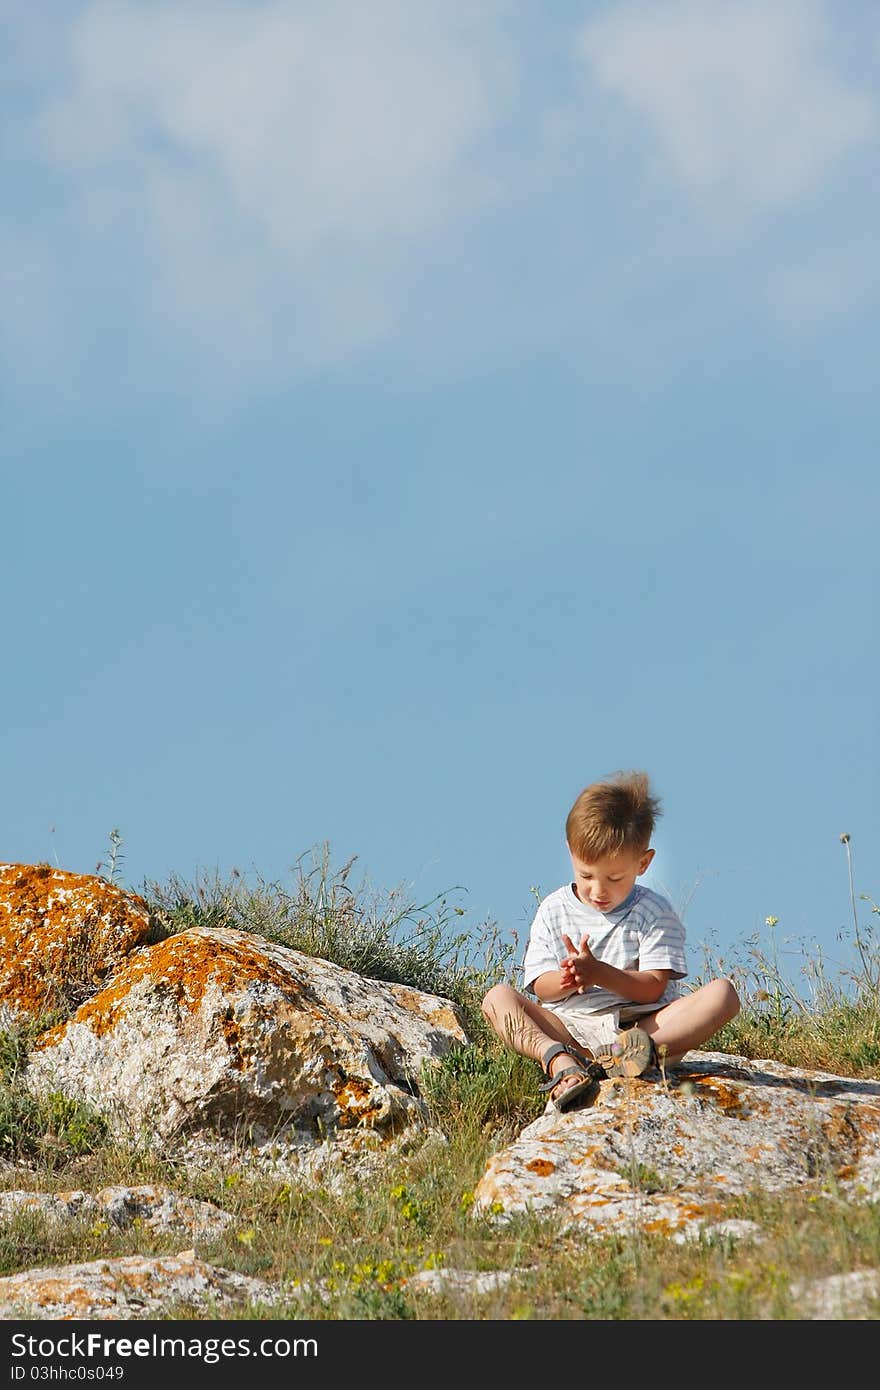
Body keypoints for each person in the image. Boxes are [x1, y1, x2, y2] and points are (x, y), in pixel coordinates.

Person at [481, 770, 740, 1112]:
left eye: (615, 878)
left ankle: (634, 1056)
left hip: (638, 1029)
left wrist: (599, 973)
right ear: (571, 852)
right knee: (496, 998)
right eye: (586, 875)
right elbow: (539, 987)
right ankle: (560, 1063)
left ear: (643, 863)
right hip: (570, 1028)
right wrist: (568, 979)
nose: (598, 890)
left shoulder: (653, 912)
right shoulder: (554, 909)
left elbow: (651, 988)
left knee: (724, 994)